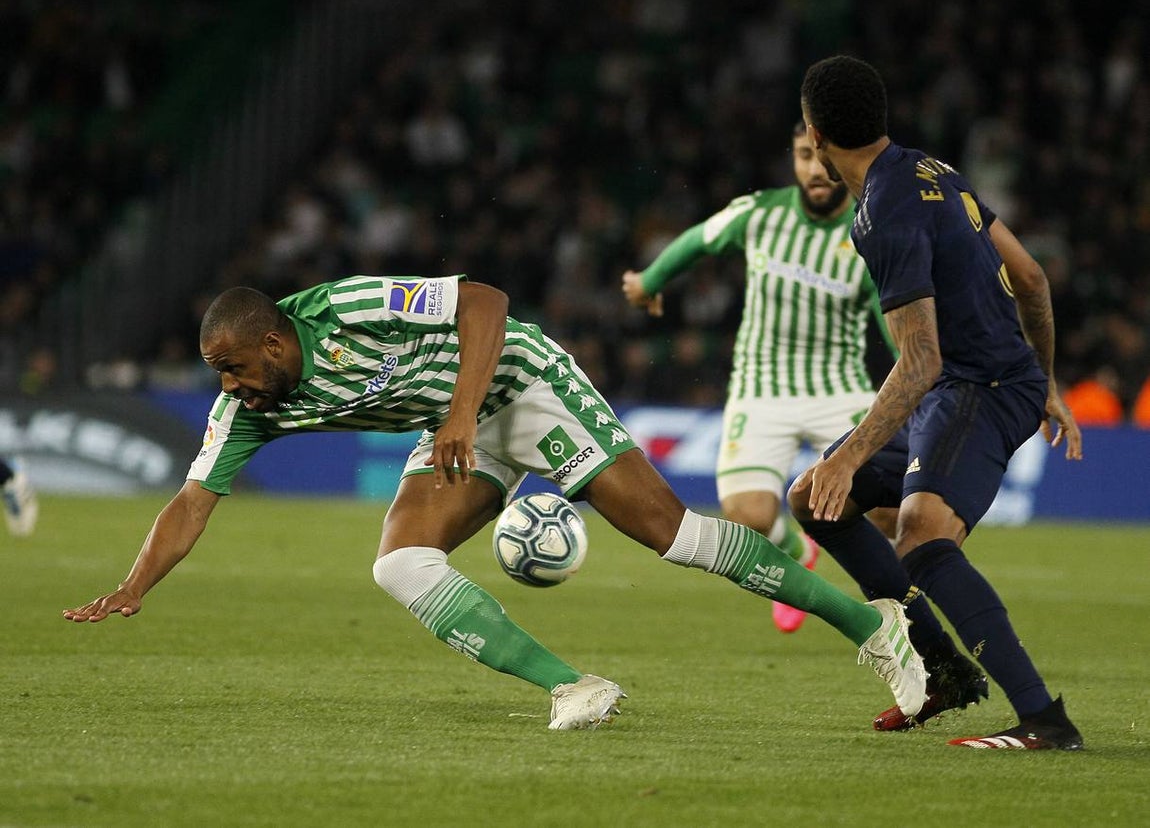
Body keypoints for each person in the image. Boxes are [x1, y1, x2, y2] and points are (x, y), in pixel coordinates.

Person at [63, 274, 926, 730]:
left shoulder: (347, 308)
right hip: (459, 428)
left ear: (274, 340)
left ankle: (873, 626)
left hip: (520, 383)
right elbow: (190, 502)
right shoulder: (246, 411)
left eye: (236, 368)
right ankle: (574, 687)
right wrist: (135, 585)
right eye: (220, 375)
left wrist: (461, 411)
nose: (231, 387)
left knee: (671, 533)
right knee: (400, 564)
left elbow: (485, 301)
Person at [790, 55, 1084, 749]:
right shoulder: (931, 169)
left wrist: (849, 457)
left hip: (978, 389)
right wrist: (1045, 378)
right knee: (813, 500)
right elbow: (1031, 277)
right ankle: (942, 672)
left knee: (920, 534)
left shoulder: (881, 215)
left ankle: (1045, 720)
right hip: (976, 384)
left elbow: (921, 361)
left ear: (816, 134)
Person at [623, 119, 905, 635]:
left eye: (822, 157)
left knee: (889, 514)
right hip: (761, 389)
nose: (814, 169)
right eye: (803, 156)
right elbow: (699, 239)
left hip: (839, 390)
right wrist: (650, 280)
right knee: (747, 517)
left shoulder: (870, 232)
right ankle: (797, 549)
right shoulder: (760, 214)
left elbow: (895, 325)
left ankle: (906, 619)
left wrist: (916, 377)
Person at [1, 457, 38, 537]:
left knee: (24, 503)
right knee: (15, 508)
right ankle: (20, 530)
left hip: (14, 481)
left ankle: (22, 530)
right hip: (8, 484)